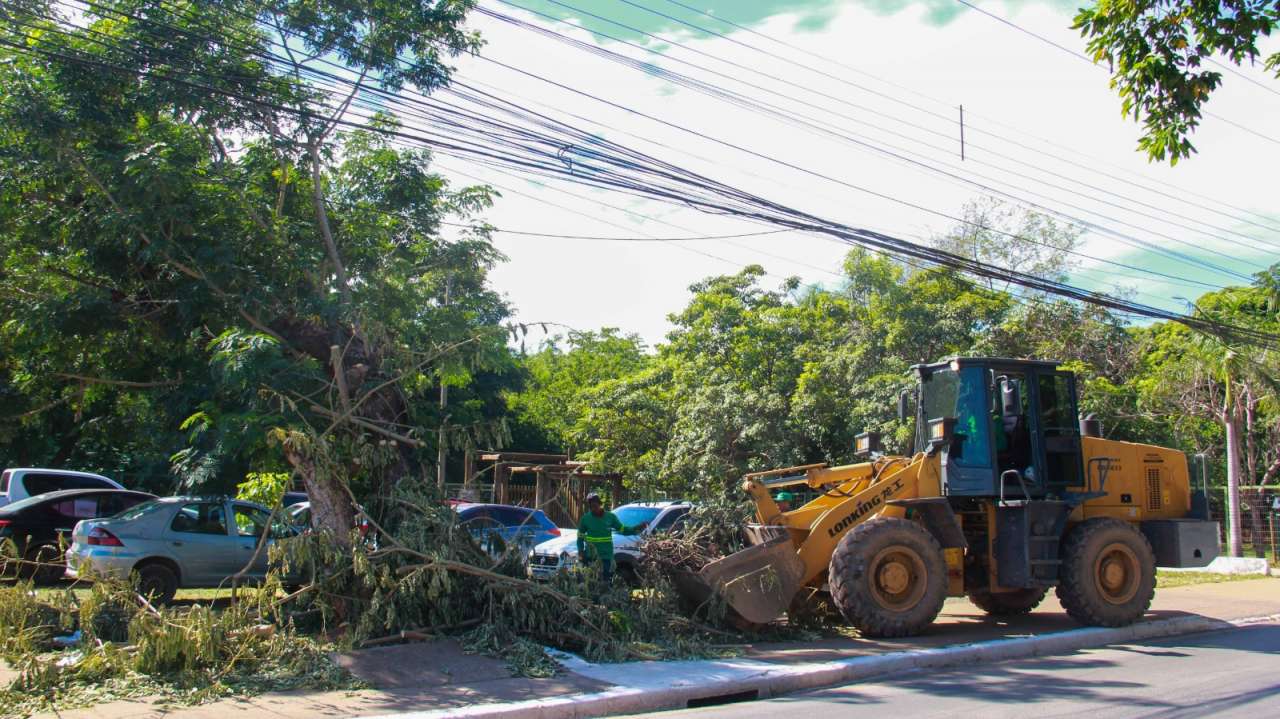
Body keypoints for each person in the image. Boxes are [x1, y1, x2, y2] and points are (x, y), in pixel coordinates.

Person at [577, 493, 647, 583]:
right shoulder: (585, 519)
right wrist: (581, 551)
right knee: (591, 582)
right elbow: (580, 538)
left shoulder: (610, 517)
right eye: (591, 507)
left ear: (600, 504)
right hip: (591, 557)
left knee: (606, 582)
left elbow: (623, 530)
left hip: (606, 557)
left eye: (595, 506)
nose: (593, 509)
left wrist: (636, 528)